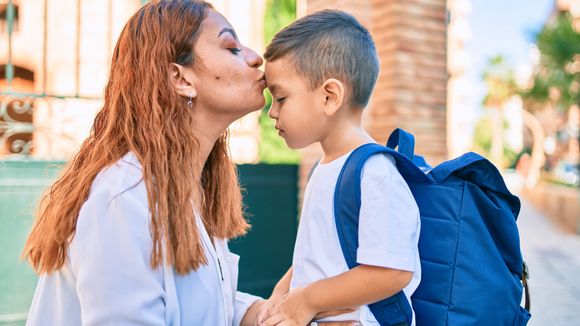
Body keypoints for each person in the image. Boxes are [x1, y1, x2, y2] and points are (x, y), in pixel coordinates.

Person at [22, 1, 268, 324]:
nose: (255, 57)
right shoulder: (123, 198)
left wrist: (273, 313)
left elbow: (205, 305)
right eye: (231, 47)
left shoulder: (192, 186)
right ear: (181, 78)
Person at [259, 10, 422, 326]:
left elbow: (393, 271)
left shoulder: (375, 173)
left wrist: (307, 300)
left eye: (280, 98)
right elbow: (321, 252)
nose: (272, 113)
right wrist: (283, 292)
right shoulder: (326, 167)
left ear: (329, 96)